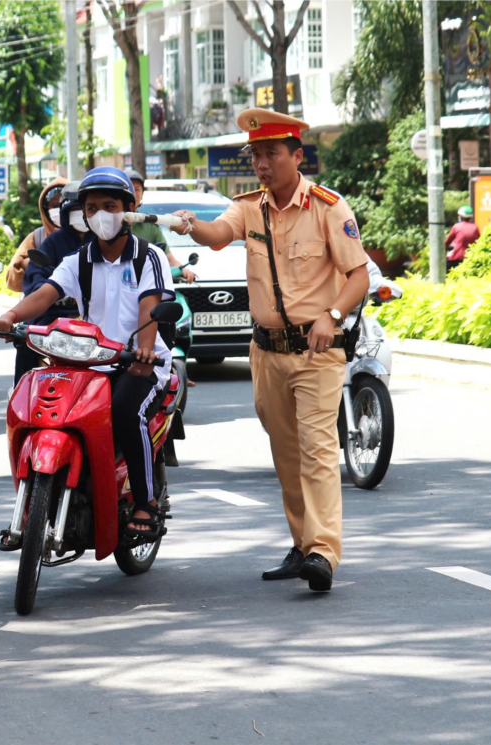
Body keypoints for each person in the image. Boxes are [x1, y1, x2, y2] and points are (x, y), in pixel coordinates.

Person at [169, 109, 370, 593]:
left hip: (317, 350)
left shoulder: (328, 207)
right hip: (266, 353)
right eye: (255, 155)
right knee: (286, 453)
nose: (261, 163)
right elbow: (218, 235)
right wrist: (191, 225)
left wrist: (333, 315)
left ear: (297, 156)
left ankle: (324, 550)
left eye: (271, 153)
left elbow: (359, 275)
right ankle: (302, 544)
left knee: (319, 448)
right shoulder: (247, 208)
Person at [0, 166, 175, 543]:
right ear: (83, 214)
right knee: (45, 410)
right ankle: (34, 509)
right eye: (92, 207)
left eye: (109, 205)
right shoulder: (79, 259)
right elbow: (45, 294)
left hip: (141, 364)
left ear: (129, 209)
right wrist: (10, 316)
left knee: (126, 412)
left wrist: (142, 350)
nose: (100, 215)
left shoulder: (148, 257)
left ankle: (145, 502)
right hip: (92, 361)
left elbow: (149, 309)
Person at [9, 179, 94, 384]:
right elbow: (36, 277)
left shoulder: (104, 242)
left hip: (96, 316)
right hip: (53, 316)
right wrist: (45, 291)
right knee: (25, 341)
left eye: (84, 210)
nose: (80, 215)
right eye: (74, 210)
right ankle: (21, 395)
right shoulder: (51, 242)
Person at [125, 169, 197, 283]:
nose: (134, 193)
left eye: (137, 189)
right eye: (129, 188)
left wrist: (183, 270)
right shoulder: (112, 225)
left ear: (142, 194)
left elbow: (168, 258)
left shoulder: (151, 225)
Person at [6, 177, 66, 292]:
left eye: (64, 204)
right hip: (45, 306)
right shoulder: (37, 237)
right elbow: (11, 278)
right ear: (45, 209)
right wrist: (31, 264)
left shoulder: (88, 236)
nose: (59, 210)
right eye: (54, 206)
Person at [445, 205, 480, 272]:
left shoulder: (456, 226)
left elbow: (447, 242)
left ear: (460, 217)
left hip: (456, 258)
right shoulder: (475, 227)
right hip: (470, 258)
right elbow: (478, 242)